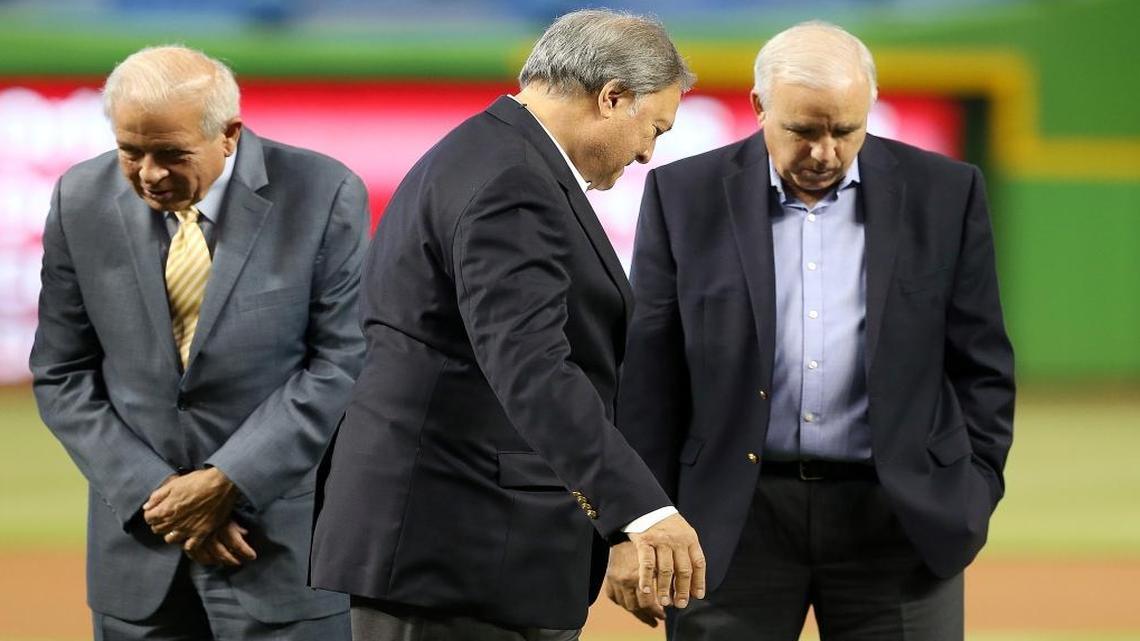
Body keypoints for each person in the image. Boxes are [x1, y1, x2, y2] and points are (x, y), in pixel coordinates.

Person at [608, 21, 1016, 641]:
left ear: (870, 108)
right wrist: (638, 519)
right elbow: (648, 374)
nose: (825, 152)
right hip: (730, 522)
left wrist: (971, 492)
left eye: (845, 130)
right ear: (759, 107)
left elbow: (982, 364)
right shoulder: (683, 194)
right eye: (803, 130)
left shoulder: (946, 192)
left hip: (898, 522)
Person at [310, 9, 706, 640]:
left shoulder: (493, 154)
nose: (646, 152)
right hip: (458, 548)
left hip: (460, 543)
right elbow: (531, 365)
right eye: (653, 127)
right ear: (611, 97)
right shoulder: (512, 181)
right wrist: (640, 510)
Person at [30, 45, 368, 640]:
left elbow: (342, 361)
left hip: (278, 551)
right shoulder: (79, 199)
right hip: (138, 551)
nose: (149, 173)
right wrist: (160, 496)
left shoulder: (322, 192)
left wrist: (227, 480)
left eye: (171, 154)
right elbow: (62, 372)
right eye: (129, 152)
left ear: (229, 134)